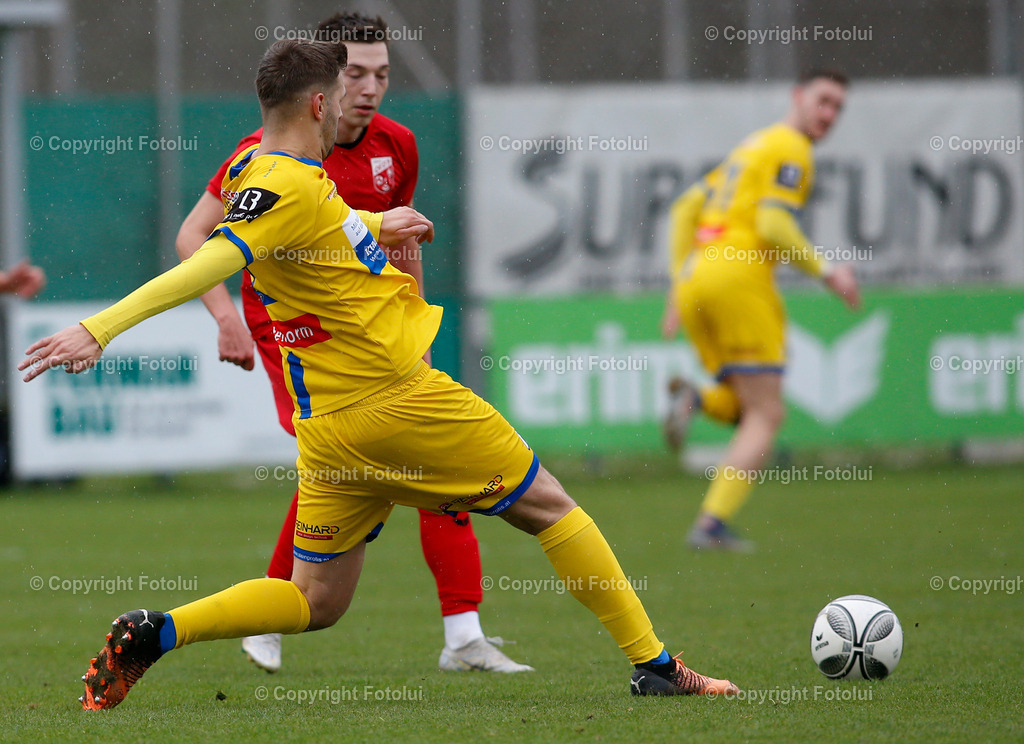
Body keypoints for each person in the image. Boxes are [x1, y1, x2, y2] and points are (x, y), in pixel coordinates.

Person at [20, 38, 737, 710]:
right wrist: (99, 328)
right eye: (341, 93)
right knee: (551, 507)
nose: (353, 104)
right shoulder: (290, 184)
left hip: (330, 431)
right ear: (315, 105)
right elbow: (211, 259)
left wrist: (371, 228)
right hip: (399, 400)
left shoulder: (252, 170)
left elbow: (301, 245)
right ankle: (656, 665)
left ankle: (157, 631)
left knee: (315, 601)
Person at [176, 12, 528, 674]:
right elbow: (194, 238)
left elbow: (403, 240)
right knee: (355, 460)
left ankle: (462, 633)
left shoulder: (398, 145)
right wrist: (223, 317)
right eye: (356, 75)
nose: (369, 89)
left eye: (383, 75)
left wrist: (415, 330)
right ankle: (281, 613)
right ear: (326, 87)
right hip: (294, 335)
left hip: (376, 334)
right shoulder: (271, 152)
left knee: (395, 458)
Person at [661, 68, 861, 552]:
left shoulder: (752, 145)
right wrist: (827, 270)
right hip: (740, 279)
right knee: (768, 414)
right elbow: (772, 224)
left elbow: (685, 207)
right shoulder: (793, 149)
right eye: (823, 101)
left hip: (699, 278)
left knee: (746, 407)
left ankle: (695, 400)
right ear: (798, 96)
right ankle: (710, 525)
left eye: (838, 108)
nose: (829, 115)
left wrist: (676, 282)